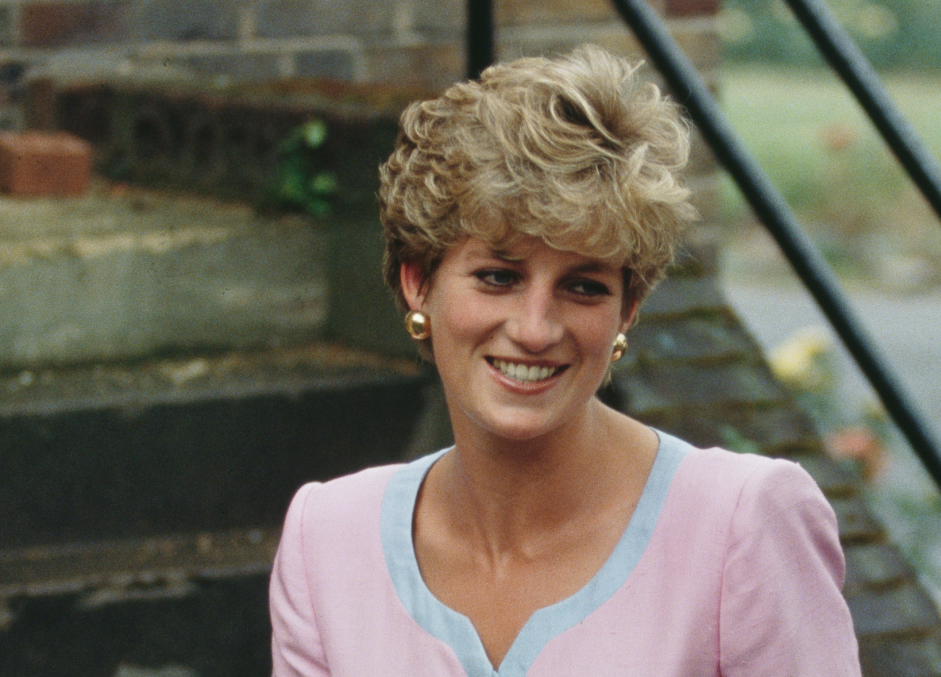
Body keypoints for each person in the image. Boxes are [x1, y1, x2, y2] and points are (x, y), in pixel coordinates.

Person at [269, 45, 861, 676]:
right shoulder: (327, 541)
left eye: (584, 286)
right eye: (498, 276)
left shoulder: (741, 525)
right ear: (418, 283)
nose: (535, 328)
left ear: (627, 309)